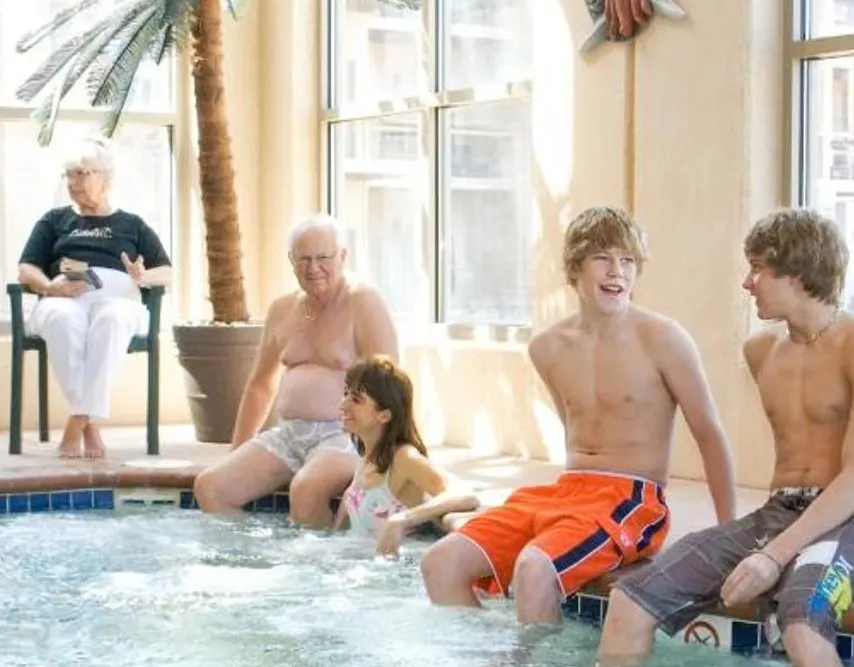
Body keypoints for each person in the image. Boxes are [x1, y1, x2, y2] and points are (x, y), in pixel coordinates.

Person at [595, 209, 854, 667]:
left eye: (758, 268)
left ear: (796, 273)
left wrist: (774, 556)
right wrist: (758, 544)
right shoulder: (761, 352)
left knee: (802, 626)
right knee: (628, 601)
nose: (747, 283)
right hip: (776, 514)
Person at [422, 206, 736, 626]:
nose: (617, 271)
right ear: (574, 269)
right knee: (440, 562)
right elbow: (574, 428)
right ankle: (483, 660)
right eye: (602, 258)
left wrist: (728, 537)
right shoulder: (548, 347)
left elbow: (710, 434)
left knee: (535, 568)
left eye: (628, 260)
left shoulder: (663, 339)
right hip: (568, 491)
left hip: (631, 499)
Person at [193, 217, 398, 526]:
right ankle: (252, 553)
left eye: (323, 257)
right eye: (304, 259)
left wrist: (382, 456)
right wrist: (237, 451)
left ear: (343, 256)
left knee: (305, 489)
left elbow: (391, 383)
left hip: (344, 435)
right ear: (291, 260)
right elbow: (260, 385)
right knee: (210, 487)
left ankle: (319, 558)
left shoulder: (363, 301)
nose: (313, 268)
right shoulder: (282, 309)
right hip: (288, 435)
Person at [17, 137, 174, 460]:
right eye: (69, 175)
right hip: (65, 297)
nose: (72, 182)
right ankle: (89, 423)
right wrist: (49, 287)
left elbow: (166, 272)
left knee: (112, 320)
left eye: (81, 173)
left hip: (119, 300)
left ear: (106, 178)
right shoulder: (54, 220)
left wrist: (142, 276)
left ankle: (78, 420)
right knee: (62, 321)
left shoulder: (132, 224)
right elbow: (26, 268)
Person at [336, 356, 479, 556]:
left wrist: (402, 519)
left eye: (356, 399)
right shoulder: (368, 455)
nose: (343, 405)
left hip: (398, 566)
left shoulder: (403, 458)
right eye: (345, 394)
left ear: (384, 415)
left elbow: (464, 494)